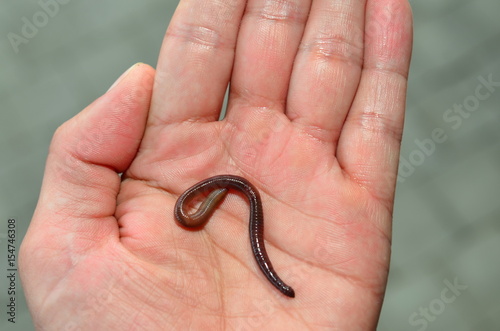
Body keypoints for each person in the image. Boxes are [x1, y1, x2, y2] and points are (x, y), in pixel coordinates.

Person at [19, 0, 413, 329]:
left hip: (219, 193)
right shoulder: (203, 201)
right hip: (214, 196)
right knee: (234, 204)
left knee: (238, 201)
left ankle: (252, 239)